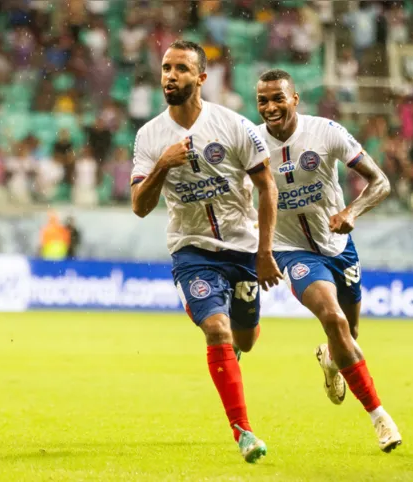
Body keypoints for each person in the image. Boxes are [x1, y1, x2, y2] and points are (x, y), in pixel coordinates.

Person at [130, 40, 282, 464]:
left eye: (180, 68)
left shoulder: (235, 126)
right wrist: (162, 164)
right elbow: (140, 207)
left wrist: (266, 251)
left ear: (201, 78)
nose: (170, 76)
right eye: (165, 68)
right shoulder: (149, 137)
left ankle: (226, 334)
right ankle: (244, 432)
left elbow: (267, 187)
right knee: (218, 330)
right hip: (191, 249)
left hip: (243, 249)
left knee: (246, 341)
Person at [255, 69, 402, 453]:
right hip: (293, 251)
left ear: (295, 99)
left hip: (338, 246)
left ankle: (332, 358)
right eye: (263, 100)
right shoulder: (252, 145)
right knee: (334, 319)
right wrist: (262, 252)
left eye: (278, 98)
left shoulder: (326, 132)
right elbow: (237, 204)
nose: (270, 107)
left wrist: (352, 211)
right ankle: (380, 418)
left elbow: (381, 181)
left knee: (349, 336)